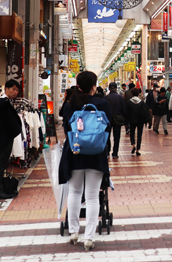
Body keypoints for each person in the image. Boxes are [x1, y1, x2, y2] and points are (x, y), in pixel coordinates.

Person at [58, 71, 113, 251]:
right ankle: (89, 237)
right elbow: (108, 127)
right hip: (96, 153)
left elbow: (66, 128)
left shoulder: (69, 104)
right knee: (92, 196)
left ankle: (74, 232)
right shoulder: (103, 104)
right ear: (93, 86)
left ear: (78, 84)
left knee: (74, 192)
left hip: (75, 151)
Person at [126, 87, 151, 156]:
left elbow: (127, 113)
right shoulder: (141, 102)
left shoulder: (129, 102)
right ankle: (138, 149)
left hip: (132, 120)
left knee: (132, 133)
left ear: (132, 94)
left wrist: (126, 122)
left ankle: (133, 144)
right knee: (139, 134)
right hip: (140, 121)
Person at [106, 82, 126, 159]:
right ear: (116, 88)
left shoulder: (105, 98)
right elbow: (124, 109)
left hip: (107, 120)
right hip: (117, 119)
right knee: (117, 137)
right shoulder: (120, 98)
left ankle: (107, 152)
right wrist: (125, 121)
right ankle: (115, 153)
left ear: (109, 88)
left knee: (107, 136)